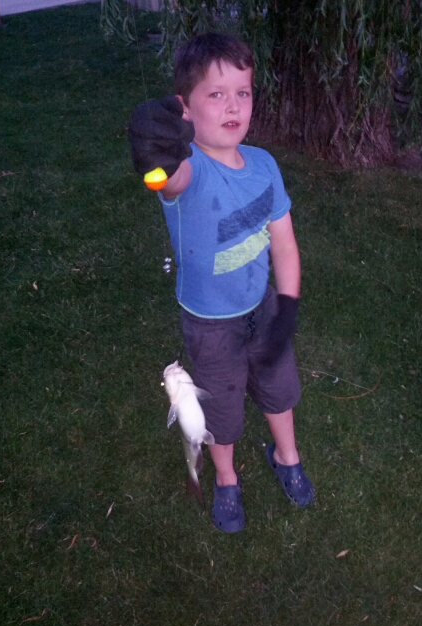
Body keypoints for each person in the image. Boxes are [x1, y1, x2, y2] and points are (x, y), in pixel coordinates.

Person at [128, 32, 315, 533]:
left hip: (264, 308)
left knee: (280, 389)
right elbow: (164, 180)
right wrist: (155, 157)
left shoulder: (265, 166)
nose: (233, 106)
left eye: (243, 92)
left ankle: (287, 456)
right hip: (210, 325)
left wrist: (287, 308)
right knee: (222, 409)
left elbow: (284, 245)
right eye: (216, 94)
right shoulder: (189, 171)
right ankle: (226, 479)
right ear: (185, 108)